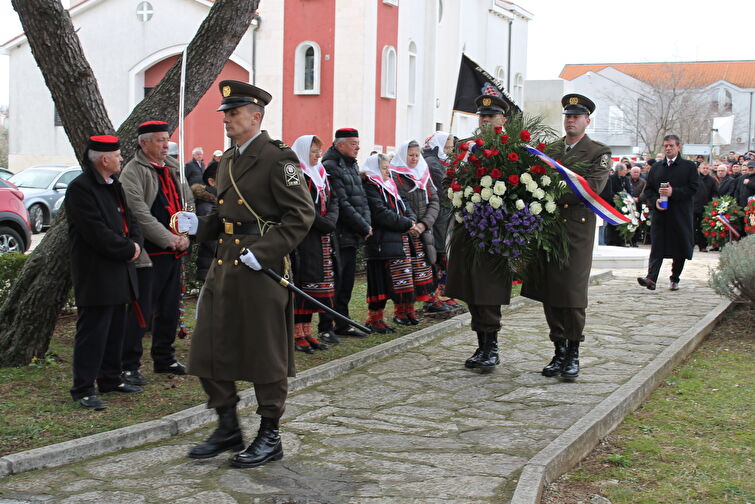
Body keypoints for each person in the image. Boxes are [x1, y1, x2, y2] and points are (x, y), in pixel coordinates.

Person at [176, 80, 315, 468]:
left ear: (255, 117)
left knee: (264, 353)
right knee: (208, 347)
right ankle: (227, 425)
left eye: (234, 114)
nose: (227, 120)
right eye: (226, 114)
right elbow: (225, 217)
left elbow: (301, 216)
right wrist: (199, 226)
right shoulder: (229, 161)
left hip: (260, 269)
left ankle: (270, 435)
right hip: (226, 266)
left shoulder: (278, 159)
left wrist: (266, 252)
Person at [521, 93, 611, 381]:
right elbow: (532, 179)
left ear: (587, 120)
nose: (570, 120)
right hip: (549, 230)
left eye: (576, 116)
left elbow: (591, 189)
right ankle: (558, 350)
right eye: (567, 116)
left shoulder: (598, 152)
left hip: (576, 231)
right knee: (550, 291)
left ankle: (573, 352)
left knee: (571, 294)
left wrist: (548, 192)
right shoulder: (551, 150)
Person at [65, 135, 144, 410]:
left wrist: (136, 244)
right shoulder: (80, 189)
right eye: (118, 155)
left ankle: (111, 378)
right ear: (104, 159)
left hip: (120, 269)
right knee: (93, 331)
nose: (122, 159)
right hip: (97, 272)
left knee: (115, 329)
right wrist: (127, 249)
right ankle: (83, 387)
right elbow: (95, 232)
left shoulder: (115, 185)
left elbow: (130, 220)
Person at [119, 121, 194, 386]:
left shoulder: (174, 167)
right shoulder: (132, 172)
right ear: (144, 143)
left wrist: (186, 233)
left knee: (170, 310)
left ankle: (164, 357)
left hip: (175, 251)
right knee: (141, 312)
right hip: (150, 255)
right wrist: (168, 239)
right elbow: (139, 213)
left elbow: (188, 202)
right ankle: (129, 364)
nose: (166, 145)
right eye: (160, 140)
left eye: (167, 139)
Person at [445, 93, 513, 373]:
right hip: (468, 228)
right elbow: (448, 179)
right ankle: (481, 343)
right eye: (482, 116)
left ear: (503, 120)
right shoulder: (467, 148)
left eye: (491, 116)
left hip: (494, 232)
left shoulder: (514, 149)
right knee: (471, 288)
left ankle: (492, 346)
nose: (485, 120)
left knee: (488, 289)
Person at [319, 128, 372, 342]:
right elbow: (341, 202)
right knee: (335, 282)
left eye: (358, 143)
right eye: (353, 143)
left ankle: (343, 322)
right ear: (339, 145)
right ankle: (325, 326)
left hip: (353, 235)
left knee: (347, 282)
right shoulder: (331, 166)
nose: (358, 147)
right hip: (339, 234)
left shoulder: (352, 164)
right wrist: (363, 226)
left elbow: (362, 198)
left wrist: (366, 223)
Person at [290, 134, 338, 353]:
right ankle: (297, 333)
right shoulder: (296, 175)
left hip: (323, 236)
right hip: (305, 237)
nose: (318, 155)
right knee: (304, 284)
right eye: (313, 151)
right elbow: (303, 207)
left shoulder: (321, 174)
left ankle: (308, 331)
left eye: (319, 151)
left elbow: (333, 199)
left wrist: (330, 221)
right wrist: (323, 223)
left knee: (317, 286)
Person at [362, 154, 417, 332]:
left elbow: (404, 206)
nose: (388, 171)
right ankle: (374, 319)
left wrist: (411, 220)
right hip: (380, 242)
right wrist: (406, 223)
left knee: (393, 282)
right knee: (379, 283)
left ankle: (397, 314)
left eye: (388, 167)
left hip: (395, 241)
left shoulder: (389, 184)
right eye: (385, 168)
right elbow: (380, 213)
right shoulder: (371, 185)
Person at [389, 140, 443, 322]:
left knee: (421, 272)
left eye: (416, 155)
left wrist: (424, 224)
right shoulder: (394, 174)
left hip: (422, 231)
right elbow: (398, 201)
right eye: (410, 155)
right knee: (404, 274)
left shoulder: (423, 172)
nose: (413, 159)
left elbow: (434, 201)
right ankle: (400, 312)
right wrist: (411, 224)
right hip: (404, 231)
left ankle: (411, 310)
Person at [637, 134, 699, 292]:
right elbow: (648, 190)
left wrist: (674, 192)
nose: (668, 148)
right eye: (666, 146)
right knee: (657, 245)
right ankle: (651, 278)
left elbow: (693, 189)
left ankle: (675, 277)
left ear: (679, 147)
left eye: (671, 145)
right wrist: (655, 201)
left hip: (680, 214)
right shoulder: (657, 167)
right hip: (661, 214)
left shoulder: (689, 166)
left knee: (679, 247)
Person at [422, 131, 462, 310]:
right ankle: (433, 297)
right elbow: (443, 188)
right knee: (437, 256)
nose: (451, 147)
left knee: (445, 255)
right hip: (438, 216)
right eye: (449, 143)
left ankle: (445, 294)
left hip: (445, 215)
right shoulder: (433, 163)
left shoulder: (442, 161)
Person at [192, 162, 218, 282]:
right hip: (210, 267)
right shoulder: (206, 207)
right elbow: (212, 242)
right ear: (212, 182)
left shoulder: (217, 202)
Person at [693, 163, 716, 252]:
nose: (705, 170)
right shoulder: (694, 179)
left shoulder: (712, 180)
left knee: (703, 228)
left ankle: (702, 246)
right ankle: (691, 244)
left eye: (707, 168)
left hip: (706, 208)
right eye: (704, 168)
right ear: (699, 169)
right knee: (692, 226)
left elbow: (715, 193)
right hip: (694, 207)